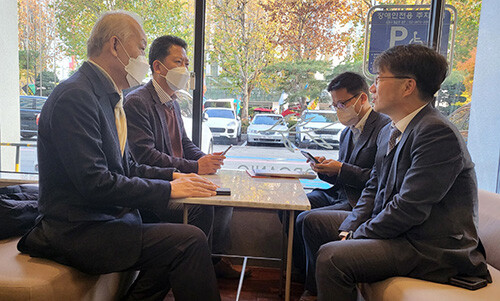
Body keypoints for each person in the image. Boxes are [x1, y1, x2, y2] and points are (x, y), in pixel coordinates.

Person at [17, 11, 221, 301]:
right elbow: (96, 182)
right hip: (79, 231)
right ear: (115, 46)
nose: (142, 56)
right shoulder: (75, 96)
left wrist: (175, 176)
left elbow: (128, 167)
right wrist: (169, 189)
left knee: (180, 238)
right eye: (140, 47)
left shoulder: (106, 95)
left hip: (104, 220)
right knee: (189, 241)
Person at [299, 44, 490, 301]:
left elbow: (409, 207)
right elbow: (373, 187)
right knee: (314, 223)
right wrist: (351, 227)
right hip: (404, 234)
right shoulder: (392, 130)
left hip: (431, 247)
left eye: (378, 79)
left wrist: (358, 235)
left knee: (332, 258)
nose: (373, 88)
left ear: (407, 86)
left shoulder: (436, 133)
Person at [124, 35, 245, 278]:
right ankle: (194, 268)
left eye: (187, 63)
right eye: (178, 62)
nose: (185, 69)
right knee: (204, 207)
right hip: (160, 185)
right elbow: (146, 157)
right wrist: (195, 166)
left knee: (223, 198)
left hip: (181, 178)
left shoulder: (173, 102)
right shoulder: (137, 102)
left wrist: (206, 160)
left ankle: (212, 259)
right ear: (158, 67)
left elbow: (185, 143)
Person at [293, 72, 390, 279]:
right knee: (293, 207)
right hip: (338, 194)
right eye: (335, 105)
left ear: (362, 98)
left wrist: (341, 168)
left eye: (342, 104)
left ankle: (313, 284)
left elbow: (380, 179)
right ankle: (300, 273)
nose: (338, 110)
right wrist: (325, 169)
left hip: (358, 201)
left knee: (307, 219)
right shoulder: (347, 132)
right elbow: (341, 175)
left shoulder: (384, 127)